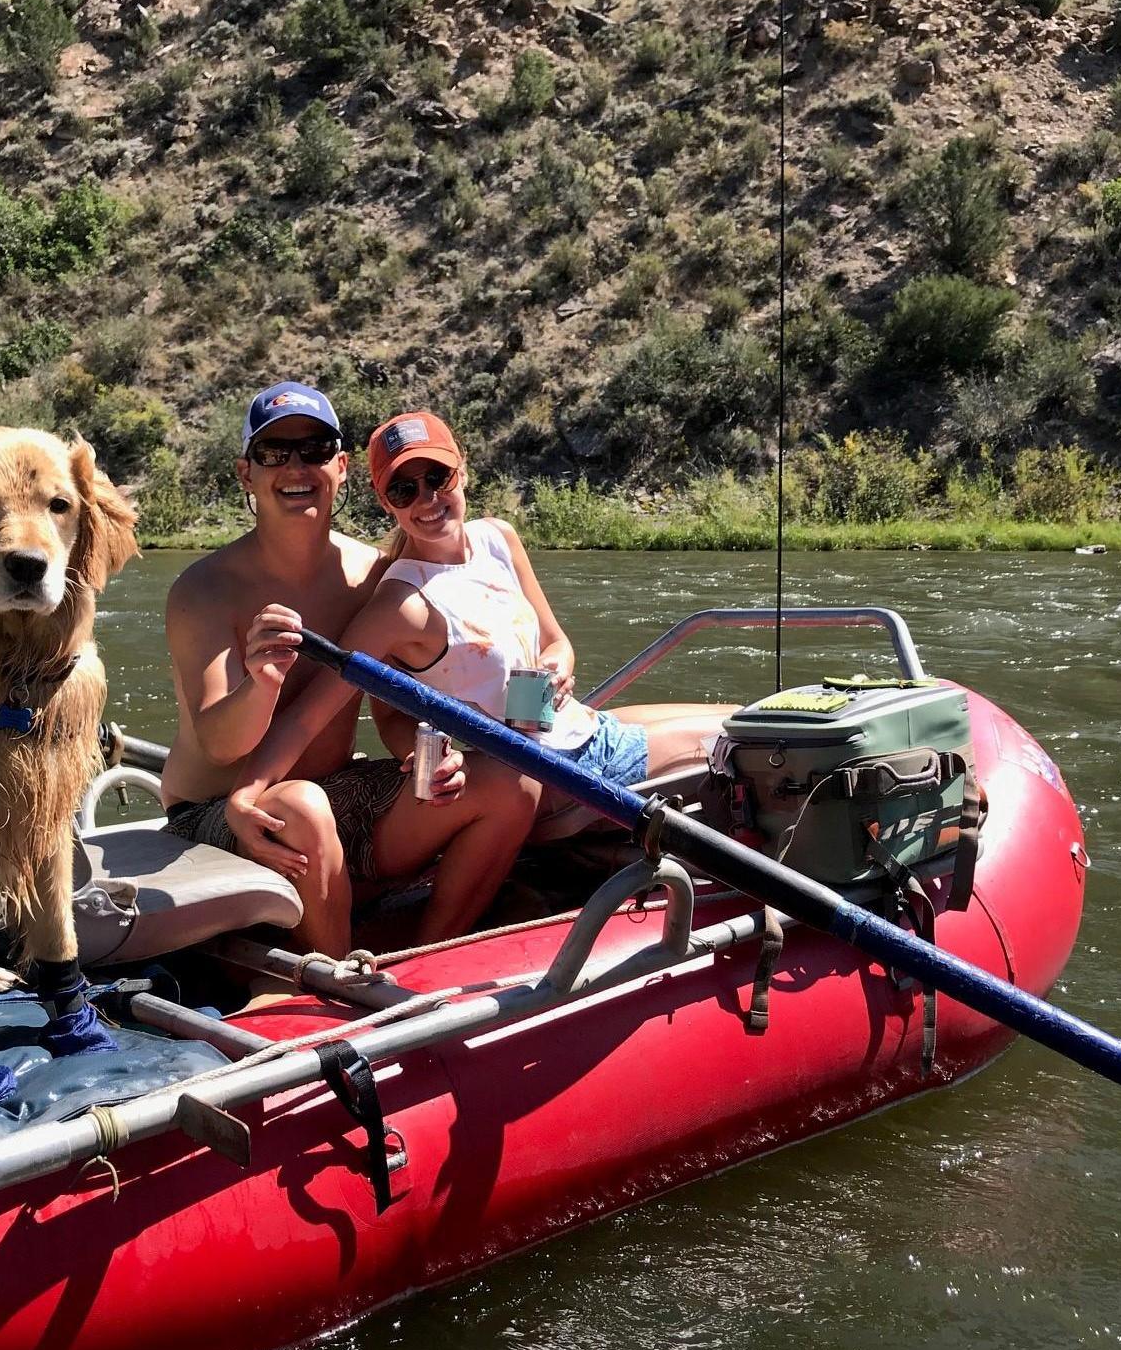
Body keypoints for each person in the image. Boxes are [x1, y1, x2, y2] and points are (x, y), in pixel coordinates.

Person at [160, 383, 534, 955]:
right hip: (219, 813)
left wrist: (421, 758)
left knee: (513, 780)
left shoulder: (374, 576)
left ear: (339, 467)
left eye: (313, 450)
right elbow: (219, 744)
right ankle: (337, 984)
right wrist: (262, 680)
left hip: (336, 796)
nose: (295, 466)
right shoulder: (204, 590)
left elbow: (390, 713)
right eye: (274, 453)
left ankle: (423, 961)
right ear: (246, 474)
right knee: (302, 805)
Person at [352, 410, 734, 840]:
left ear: (462, 470)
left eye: (438, 477)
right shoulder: (403, 600)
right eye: (404, 490)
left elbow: (557, 641)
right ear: (386, 502)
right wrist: (425, 759)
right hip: (552, 771)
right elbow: (386, 714)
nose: (427, 498)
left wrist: (558, 665)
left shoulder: (498, 538)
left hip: (584, 727)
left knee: (745, 717)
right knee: (744, 740)